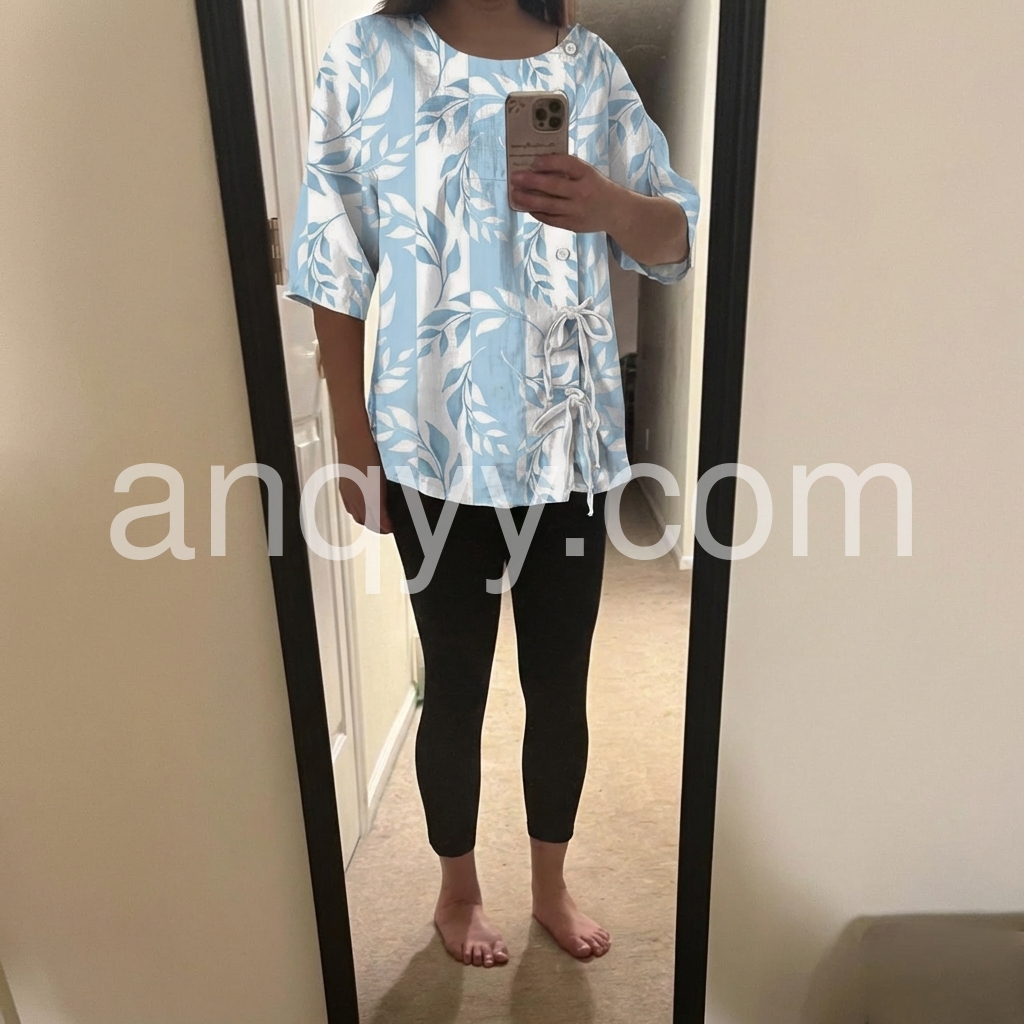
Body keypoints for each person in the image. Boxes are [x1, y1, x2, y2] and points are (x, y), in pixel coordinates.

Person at [285, 0, 699, 969]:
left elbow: (674, 238)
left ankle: (551, 884)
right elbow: (331, 256)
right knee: (456, 685)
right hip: (431, 447)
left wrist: (610, 207)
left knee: (560, 687)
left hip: (570, 450)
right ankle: (457, 890)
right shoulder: (368, 57)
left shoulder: (588, 65)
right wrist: (351, 435)